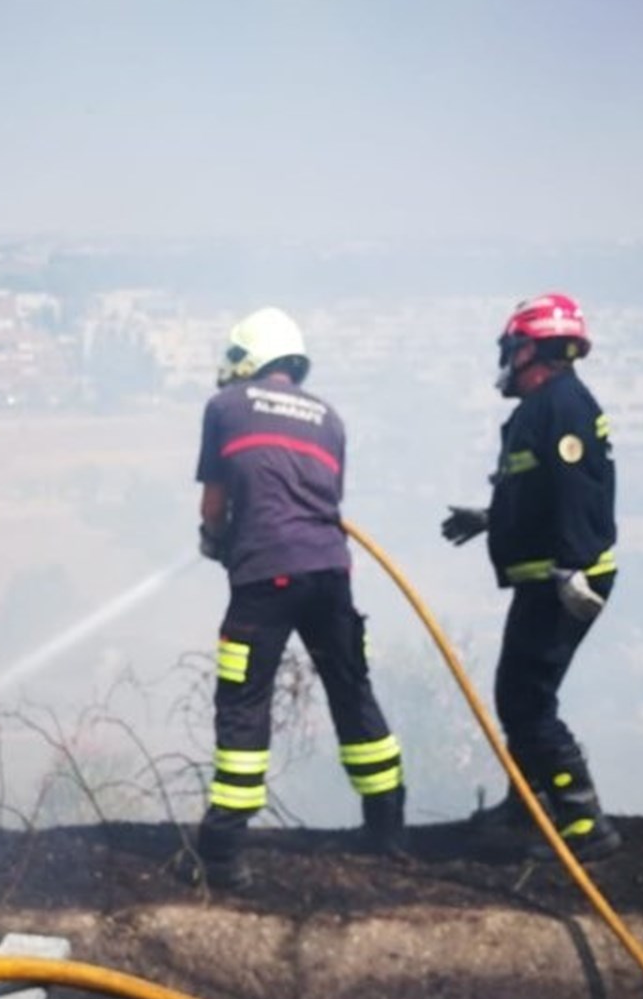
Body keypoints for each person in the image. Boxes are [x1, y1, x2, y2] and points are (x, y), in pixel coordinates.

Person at [189, 306, 406, 891]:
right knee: (350, 688)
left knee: (243, 699)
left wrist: (216, 543)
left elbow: (215, 503)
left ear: (249, 359)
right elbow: (324, 499)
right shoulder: (330, 418)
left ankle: (225, 851)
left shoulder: (225, 407)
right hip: (330, 572)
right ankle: (387, 825)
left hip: (264, 578)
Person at [441, 292, 621, 862]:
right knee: (515, 692)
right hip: (548, 576)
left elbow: (574, 492)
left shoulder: (560, 406)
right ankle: (529, 803)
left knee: (528, 701)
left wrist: (573, 568)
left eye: (513, 346)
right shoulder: (545, 407)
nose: (508, 357)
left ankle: (584, 824)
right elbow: (539, 493)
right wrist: (491, 518)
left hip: (565, 578)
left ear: (531, 349)